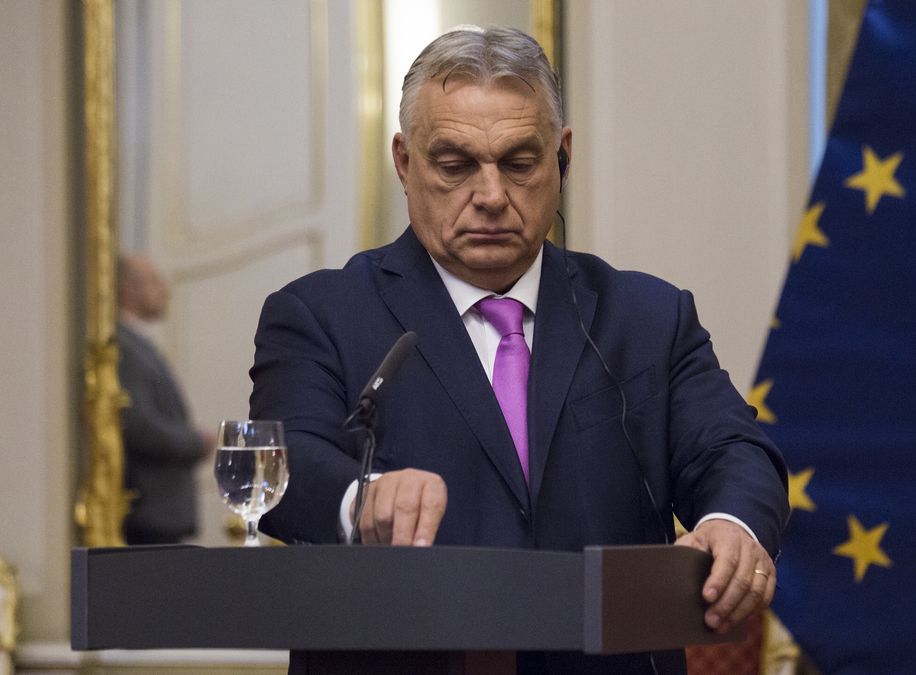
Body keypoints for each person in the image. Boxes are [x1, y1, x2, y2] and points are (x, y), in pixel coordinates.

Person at [251, 26, 789, 674]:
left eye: (518, 162)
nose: (490, 196)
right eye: (454, 165)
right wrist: (360, 499)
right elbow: (283, 465)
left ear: (561, 156)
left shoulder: (647, 317)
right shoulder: (321, 314)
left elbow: (735, 450)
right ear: (404, 161)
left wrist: (734, 522)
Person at [117, 253, 214, 545]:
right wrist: (197, 442)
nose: (164, 288)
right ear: (129, 289)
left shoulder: (136, 342)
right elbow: (137, 424)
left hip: (163, 511)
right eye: (154, 280)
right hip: (149, 508)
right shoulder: (123, 343)